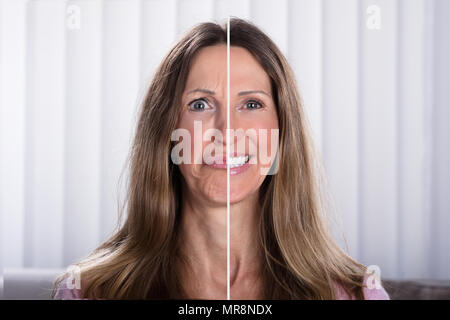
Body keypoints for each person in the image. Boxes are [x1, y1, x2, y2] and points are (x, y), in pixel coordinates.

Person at [53, 18, 389, 300]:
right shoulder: (90, 291)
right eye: (200, 104)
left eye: (252, 104)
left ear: (282, 131)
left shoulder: (355, 293)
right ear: (166, 130)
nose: (227, 131)